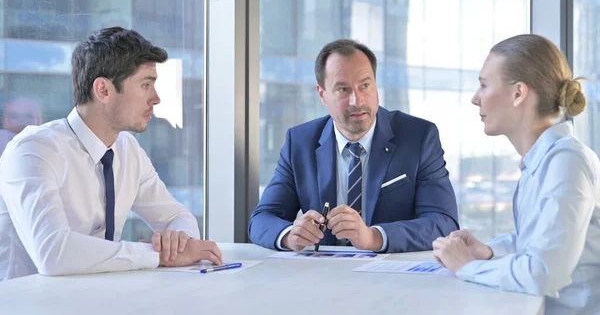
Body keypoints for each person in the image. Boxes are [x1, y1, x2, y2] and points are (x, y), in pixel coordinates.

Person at [0, 27, 222, 280]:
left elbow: (177, 216)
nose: (156, 98)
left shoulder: (127, 149)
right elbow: (53, 253)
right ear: (103, 90)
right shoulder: (33, 150)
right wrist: (155, 255)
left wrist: (179, 242)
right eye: (146, 85)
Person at [433, 34, 600, 315]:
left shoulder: (567, 162)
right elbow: (537, 242)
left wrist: (467, 267)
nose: (476, 98)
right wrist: (486, 251)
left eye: (484, 85)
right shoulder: (545, 160)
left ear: (519, 93)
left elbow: (543, 271)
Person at [249, 39, 459, 253]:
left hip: (394, 277)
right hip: (323, 277)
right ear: (323, 95)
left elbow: (443, 222)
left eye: (365, 86)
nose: (356, 101)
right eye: (342, 90)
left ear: (376, 86)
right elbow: (261, 220)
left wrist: (373, 237)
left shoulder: (418, 137)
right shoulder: (300, 142)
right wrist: (290, 236)